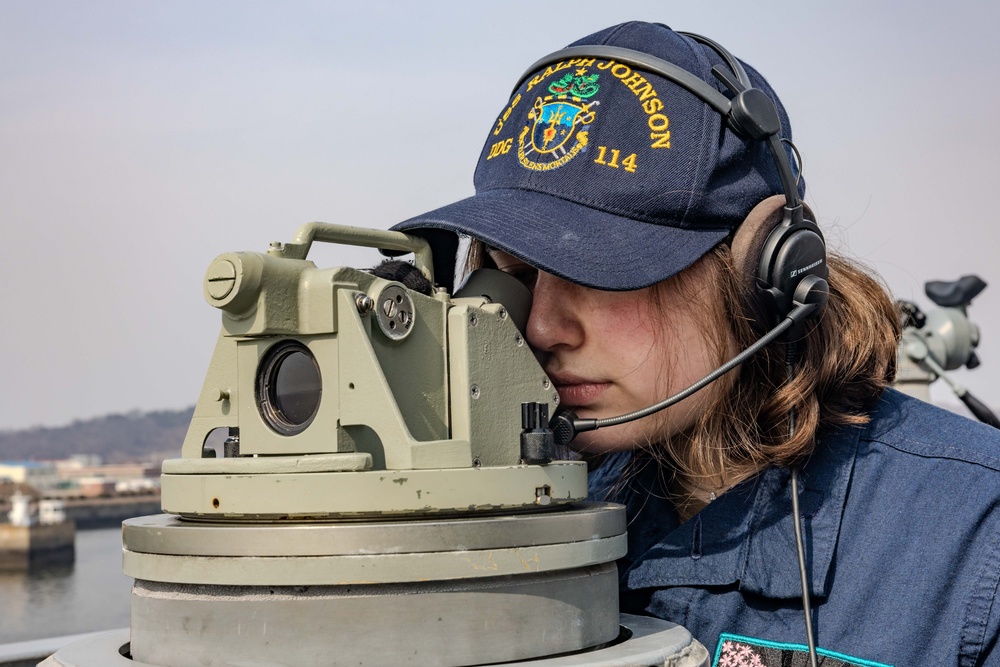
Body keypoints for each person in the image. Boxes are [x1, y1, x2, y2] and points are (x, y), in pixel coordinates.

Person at [394, 21, 1000, 667]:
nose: (542, 328)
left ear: (762, 271)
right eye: (517, 273)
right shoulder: (527, 501)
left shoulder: (973, 533)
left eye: (599, 273)